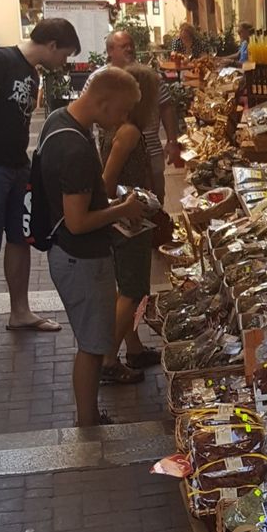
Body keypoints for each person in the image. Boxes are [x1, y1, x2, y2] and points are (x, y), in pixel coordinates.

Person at [0, 15, 81, 367]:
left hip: (16, 167)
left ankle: (20, 311)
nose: (64, 63)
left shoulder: (33, 72)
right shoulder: (1, 61)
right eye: (65, 54)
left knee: (19, 239)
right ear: (52, 45)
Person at [37, 66, 149, 428]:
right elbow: (78, 221)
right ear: (103, 102)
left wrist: (112, 202)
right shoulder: (76, 148)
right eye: (120, 111)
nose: (120, 121)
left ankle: (89, 414)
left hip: (68, 252)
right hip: (79, 257)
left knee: (92, 339)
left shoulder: (59, 120)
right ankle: (87, 419)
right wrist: (124, 209)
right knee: (91, 344)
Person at [98, 63, 161, 383]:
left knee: (129, 288)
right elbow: (107, 183)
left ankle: (133, 347)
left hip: (125, 219)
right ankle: (109, 359)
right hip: (128, 222)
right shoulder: (129, 132)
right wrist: (130, 203)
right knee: (133, 291)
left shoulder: (116, 127)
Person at [104, 28, 181, 202]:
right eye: (123, 46)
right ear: (110, 50)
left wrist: (172, 141)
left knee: (154, 201)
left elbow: (167, 107)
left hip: (151, 152)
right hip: (117, 154)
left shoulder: (149, 77)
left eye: (131, 45)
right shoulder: (100, 78)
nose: (129, 49)